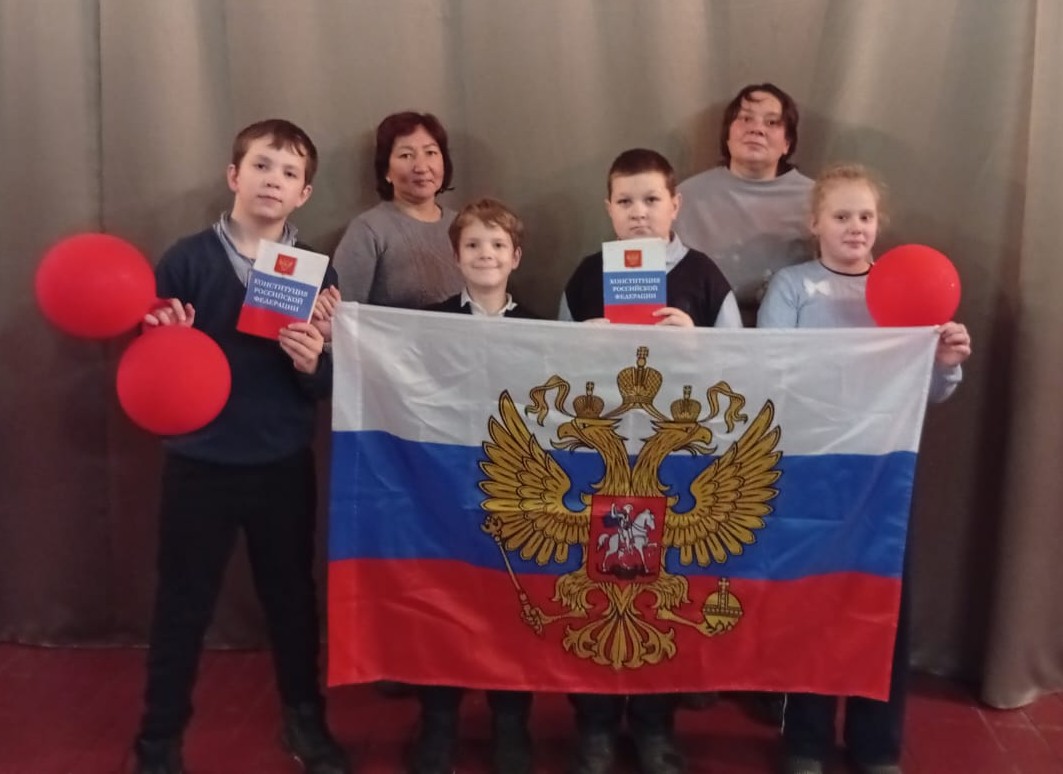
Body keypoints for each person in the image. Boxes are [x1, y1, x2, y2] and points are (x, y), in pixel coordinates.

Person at [132, 119, 350, 774]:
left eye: (289, 172)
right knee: (182, 603)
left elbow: (327, 387)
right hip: (198, 462)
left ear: (304, 193)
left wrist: (314, 359)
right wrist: (163, 340)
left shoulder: (318, 271)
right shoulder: (186, 261)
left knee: (291, 601)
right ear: (234, 175)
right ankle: (158, 739)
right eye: (261, 165)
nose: (272, 180)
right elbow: (151, 378)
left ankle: (305, 722)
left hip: (281, 461)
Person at [758, 163, 972, 774]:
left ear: (880, 224)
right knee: (811, 601)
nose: (855, 227)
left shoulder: (909, 284)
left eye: (866, 216)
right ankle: (805, 739)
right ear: (815, 223)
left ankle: (876, 742)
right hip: (812, 468)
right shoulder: (794, 287)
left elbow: (932, 390)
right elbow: (771, 369)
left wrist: (946, 361)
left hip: (884, 470)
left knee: (882, 604)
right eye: (841, 216)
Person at [560, 148, 742, 774]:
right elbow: (548, 367)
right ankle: (594, 725)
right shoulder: (588, 274)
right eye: (625, 201)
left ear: (675, 205)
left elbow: (744, 369)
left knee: (663, 597)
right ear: (608, 209)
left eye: (651, 200)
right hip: (601, 464)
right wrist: (577, 343)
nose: (638, 213)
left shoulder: (705, 276)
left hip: (676, 468)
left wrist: (696, 343)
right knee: (598, 590)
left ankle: (656, 725)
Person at [410, 198, 536, 774]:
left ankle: (510, 721)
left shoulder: (540, 329)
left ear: (516, 257)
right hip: (444, 486)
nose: (486, 254)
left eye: (497, 245)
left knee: (511, 603)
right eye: (473, 245)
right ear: (456, 257)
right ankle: (438, 720)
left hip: (516, 494)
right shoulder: (428, 324)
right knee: (443, 603)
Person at [676, 83, 815, 324]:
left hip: (793, 331)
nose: (757, 129)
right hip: (700, 332)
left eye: (771, 122)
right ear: (727, 136)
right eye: (746, 119)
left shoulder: (819, 200)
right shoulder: (683, 198)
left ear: (787, 143)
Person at [332, 111, 464, 309]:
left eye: (430, 153)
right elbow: (343, 312)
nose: (421, 167)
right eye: (406, 155)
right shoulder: (368, 230)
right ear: (386, 171)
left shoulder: (464, 225)